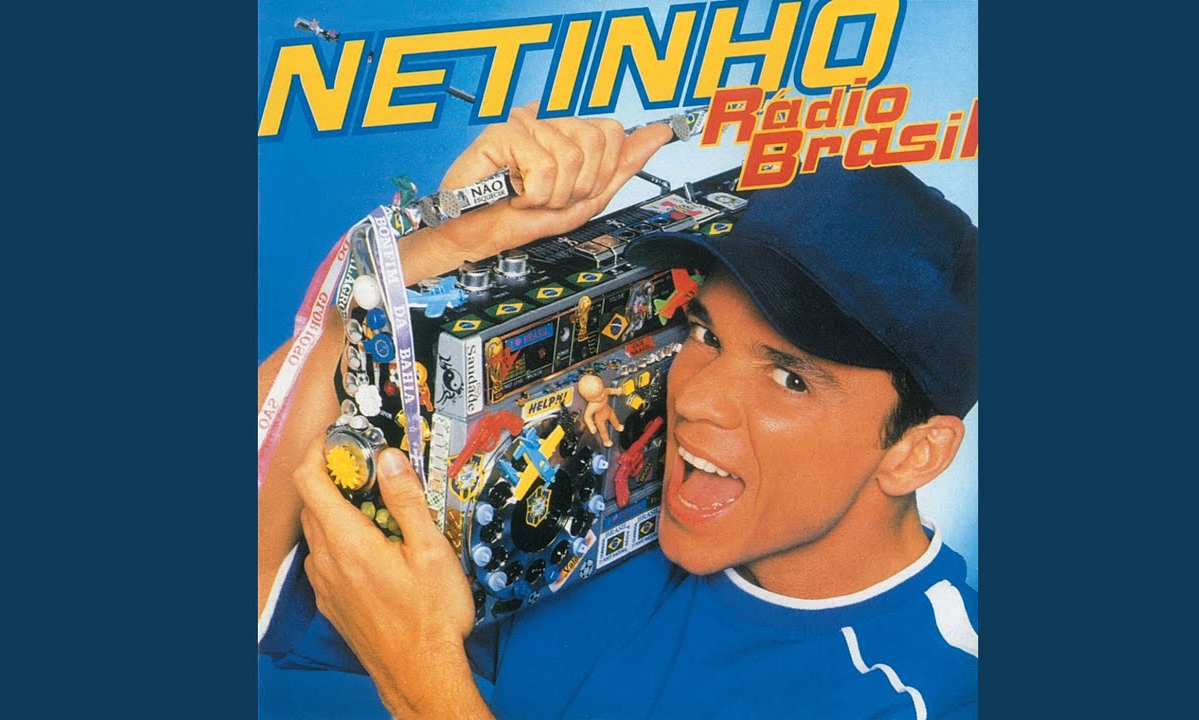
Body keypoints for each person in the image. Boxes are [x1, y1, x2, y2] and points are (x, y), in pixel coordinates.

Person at [258, 104, 978, 719]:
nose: (697, 398)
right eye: (706, 335)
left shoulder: (936, 691)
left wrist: (423, 681)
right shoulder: (602, 526)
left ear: (916, 452)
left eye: (791, 379)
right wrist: (443, 251)